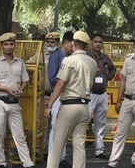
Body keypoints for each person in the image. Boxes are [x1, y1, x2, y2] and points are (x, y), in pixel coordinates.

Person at [44, 31, 97, 168]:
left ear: (73, 43)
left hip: (69, 105)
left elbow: (60, 84)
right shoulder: (92, 62)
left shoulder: (69, 60)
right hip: (84, 106)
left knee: (57, 144)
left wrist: (50, 104)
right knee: (79, 145)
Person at [0, 33, 35, 168]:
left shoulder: (20, 63)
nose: (9, 47)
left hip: (14, 102)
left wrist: (20, 89)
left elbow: (25, 81)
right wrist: (6, 89)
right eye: (6, 44)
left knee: (19, 135)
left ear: (15, 45)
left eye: (11, 44)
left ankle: (28, 163)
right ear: (1, 46)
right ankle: (1, 163)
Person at [107, 33, 135, 168]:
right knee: (120, 132)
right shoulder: (128, 59)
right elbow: (123, 80)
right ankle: (112, 162)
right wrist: (119, 100)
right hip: (127, 99)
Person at [87, 33, 116, 159]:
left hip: (102, 94)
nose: (98, 44)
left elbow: (113, 69)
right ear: (91, 43)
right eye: (96, 41)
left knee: (100, 124)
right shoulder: (87, 56)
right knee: (83, 122)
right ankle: (78, 148)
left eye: (100, 42)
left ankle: (99, 150)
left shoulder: (105, 58)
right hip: (90, 94)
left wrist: (107, 77)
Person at [46, 31, 74, 168]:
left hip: (66, 95)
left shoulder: (69, 57)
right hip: (57, 95)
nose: (73, 47)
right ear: (66, 43)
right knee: (55, 128)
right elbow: (52, 78)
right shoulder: (56, 57)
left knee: (62, 128)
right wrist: (65, 81)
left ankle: (61, 157)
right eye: (72, 44)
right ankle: (53, 156)